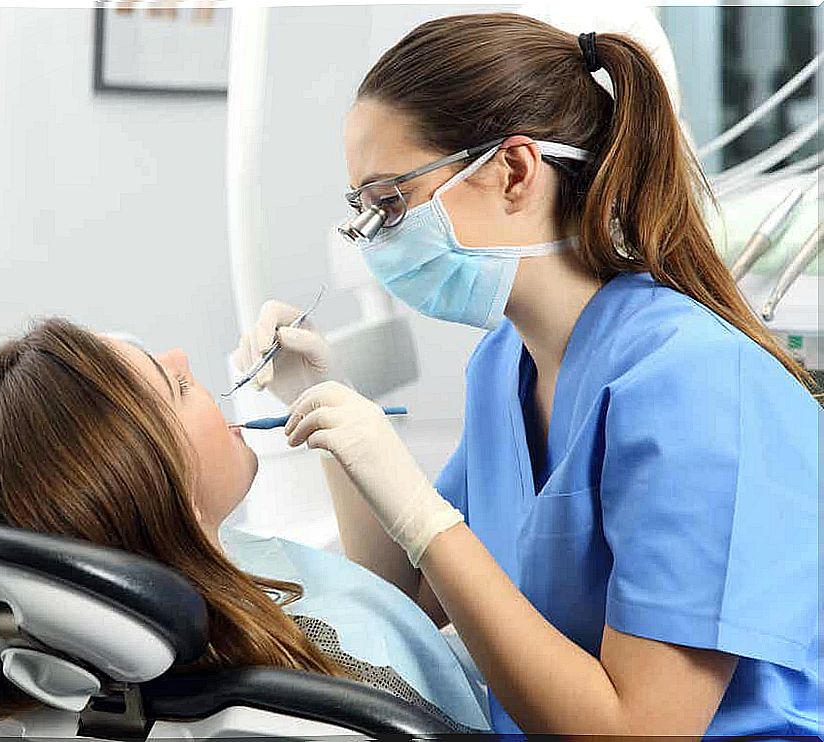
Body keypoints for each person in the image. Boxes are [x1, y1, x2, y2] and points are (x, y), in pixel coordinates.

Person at [233, 12, 820, 736]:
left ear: (514, 171)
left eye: (390, 202)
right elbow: (406, 590)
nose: (373, 237)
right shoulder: (504, 366)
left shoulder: (695, 385)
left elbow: (642, 730)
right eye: (363, 208)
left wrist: (423, 513)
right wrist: (325, 402)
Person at [0, 317, 489, 731]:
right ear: (166, 496)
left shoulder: (131, 635)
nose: (184, 357)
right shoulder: (339, 682)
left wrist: (320, 403)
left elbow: (373, 602)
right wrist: (422, 519)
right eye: (176, 387)